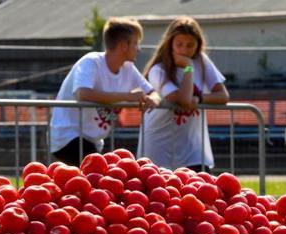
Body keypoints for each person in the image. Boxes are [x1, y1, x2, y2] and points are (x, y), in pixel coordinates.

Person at [49, 17, 160, 166]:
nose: (138, 49)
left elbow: (153, 92)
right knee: (98, 179)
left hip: (92, 142)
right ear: (123, 46)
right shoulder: (91, 61)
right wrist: (128, 96)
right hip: (68, 137)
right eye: (135, 43)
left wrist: (153, 99)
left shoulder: (128, 69)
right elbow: (83, 94)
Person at [137, 17, 229, 173]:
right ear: (169, 43)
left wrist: (200, 98)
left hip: (192, 148)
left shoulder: (201, 61)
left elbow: (223, 96)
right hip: (160, 146)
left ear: (198, 45)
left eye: (190, 45)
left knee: (201, 191)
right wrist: (188, 67)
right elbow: (184, 100)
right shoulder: (158, 71)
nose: (184, 50)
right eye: (179, 44)